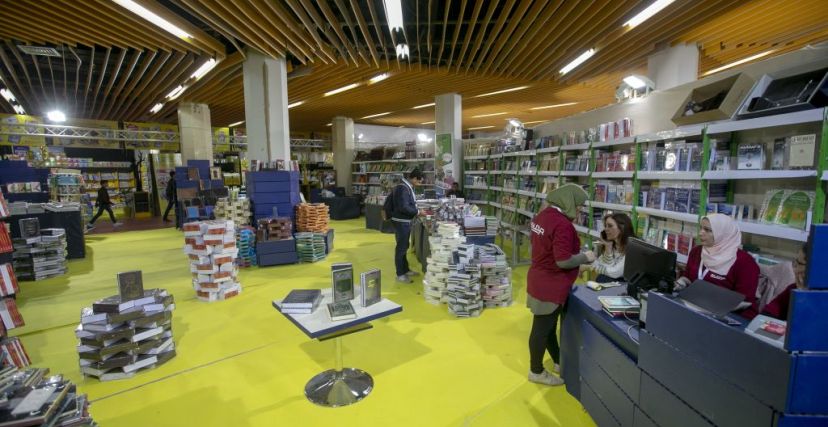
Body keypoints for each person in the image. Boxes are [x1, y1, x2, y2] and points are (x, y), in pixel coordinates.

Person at [527, 184, 596, 386]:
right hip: (551, 284)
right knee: (541, 329)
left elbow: (546, 249)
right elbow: (563, 261)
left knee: (546, 327)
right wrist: (586, 256)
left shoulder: (542, 216)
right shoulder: (562, 224)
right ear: (568, 201)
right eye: (579, 206)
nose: (580, 210)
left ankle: (557, 361)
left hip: (538, 278)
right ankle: (536, 371)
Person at [677, 213, 760, 319]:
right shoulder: (696, 251)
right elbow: (689, 278)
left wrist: (715, 306)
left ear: (723, 233)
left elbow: (745, 301)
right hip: (696, 308)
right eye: (701, 228)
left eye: (707, 230)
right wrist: (682, 282)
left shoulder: (745, 262)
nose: (701, 233)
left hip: (730, 316)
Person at [389, 168, 424, 283]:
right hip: (401, 221)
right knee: (401, 247)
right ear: (414, 178)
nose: (419, 184)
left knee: (404, 246)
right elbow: (403, 207)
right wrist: (418, 212)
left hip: (403, 221)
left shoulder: (405, 187)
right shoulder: (403, 188)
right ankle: (400, 274)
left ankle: (405, 269)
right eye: (418, 181)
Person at [762, 245, 808, 320]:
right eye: (795, 262)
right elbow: (766, 314)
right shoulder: (793, 288)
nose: (795, 270)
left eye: (799, 263)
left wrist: (804, 296)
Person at [589, 213, 635, 283]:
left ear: (622, 227)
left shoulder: (633, 247)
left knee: (602, 278)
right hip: (618, 281)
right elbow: (604, 265)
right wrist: (608, 247)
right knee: (602, 277)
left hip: (629, 284)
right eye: (605, 226)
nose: (606, 229)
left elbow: (614, 273)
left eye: (610, 226)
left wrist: (590, 266)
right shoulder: (613, 244)